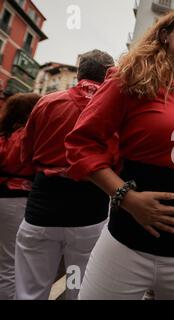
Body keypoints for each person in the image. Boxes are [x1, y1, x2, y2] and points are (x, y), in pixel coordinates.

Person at [64, 8, 174, 300]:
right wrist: (125, 196)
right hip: (126, 243)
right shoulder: (129, 80)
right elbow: (81, 144)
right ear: (165, 35)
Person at [15, 49, 115, 300]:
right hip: (89, 209)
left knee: (31, 290)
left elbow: (25, 155)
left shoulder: (47, 102)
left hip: (44, 205)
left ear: (79, 72)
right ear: (109, 76)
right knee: (79, 286)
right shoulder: (114, 113)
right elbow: (117, 162)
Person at [0, 93, 41, 300]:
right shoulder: (27, 135)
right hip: (17, 200)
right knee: (10, 263)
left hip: (4, 196)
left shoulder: (3, 135)